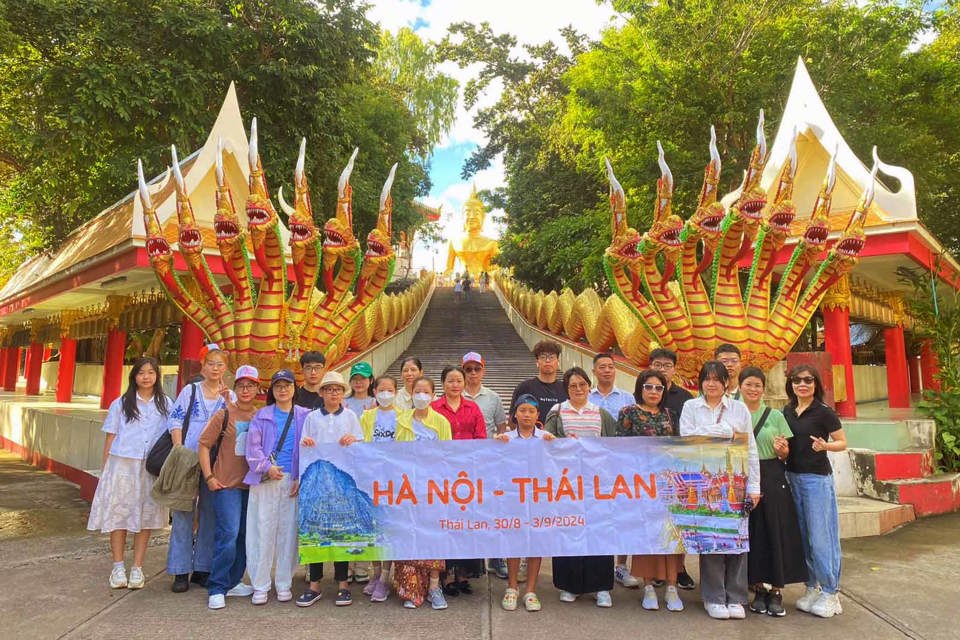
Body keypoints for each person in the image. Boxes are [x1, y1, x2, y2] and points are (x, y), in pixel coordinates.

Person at [679, 361, 760, 620]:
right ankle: (713, 597)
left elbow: (750, 448)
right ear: (700, 382)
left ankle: (736, 597)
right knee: (711, 539)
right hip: (705, 484)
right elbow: (687, 439)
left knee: (736, 540)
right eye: (707, 378)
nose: (711, 384)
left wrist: (755, 487)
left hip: (736, 481)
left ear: (726, 382)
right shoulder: (690, 407)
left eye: (717, 379)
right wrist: (724, 431)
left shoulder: (739, 409)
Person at [87, 356, 171, 590]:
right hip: (122, 467)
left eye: (151, 372)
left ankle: (137, 567)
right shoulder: (121, 403)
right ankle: (117, 566)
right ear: (134, 376)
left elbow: (173, 435)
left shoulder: (165, 403)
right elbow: (111, 436)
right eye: (141, 372)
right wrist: (106, 472)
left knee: (146, 517)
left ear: (157, 376)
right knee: (119, 516)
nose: (146, 377)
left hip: (150, 469)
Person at [544, 367, 617, 607]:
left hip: (596, 483)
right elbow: (547, 446)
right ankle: (570, 584)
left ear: (589, 386)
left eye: (582, 385)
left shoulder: (601, 413)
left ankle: (601, 587)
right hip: (567, 483)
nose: (578, 389)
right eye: (573, 385)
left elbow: (612, 447)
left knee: (599, 531)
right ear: (567, 389)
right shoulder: (557, 412)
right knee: (569, 531)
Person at [166, 344, 235, 592]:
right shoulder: (190, 390)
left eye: (220, 365)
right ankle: (180, 570)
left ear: (226, 369)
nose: (215, 369)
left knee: (210, 514)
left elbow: (236, 426)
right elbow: (174, 418)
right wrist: (179, 449)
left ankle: (203, 568)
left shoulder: (230, 396)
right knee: (183, 513)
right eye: (211, 364)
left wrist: (229, 402)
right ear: (203, 366)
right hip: (187, 458)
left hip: (216, 463)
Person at [738, 367, 806, 617]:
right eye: (748, 384)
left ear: (763, 388)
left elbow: (786, 453)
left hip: (773, 475)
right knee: (754, 532)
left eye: (757, 385)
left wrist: (782, 451)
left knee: (775, 530)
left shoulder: (775, 415)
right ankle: (757, 587)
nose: (753, 389)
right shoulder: (735, 412)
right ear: (740, 386)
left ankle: (776, 589)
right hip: (744, 475)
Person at [616, 369, 684, 612]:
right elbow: (620, 449)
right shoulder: (628, 413)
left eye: (658, 388)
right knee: (646, 537)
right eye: (649, 387)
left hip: (668, 485)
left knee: (671, 537)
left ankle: (672, 587)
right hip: (641, 485)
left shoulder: (671, 414)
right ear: (640, 388)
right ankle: (648, 587)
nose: (653, 391)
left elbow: (678, 448)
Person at [783, 364, 847, 619]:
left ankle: (831, 591)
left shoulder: (823, 412)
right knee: (802, 536)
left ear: (815, 384)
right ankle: (812, 587)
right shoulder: (787, 411)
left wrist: (826, 447)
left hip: (816, 480)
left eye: (808, 380)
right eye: (797, 380)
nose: (802, 384)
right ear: (791, 384)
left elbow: (842, 442)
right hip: (792, 476)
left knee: (822, 537)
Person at [297, 371, 364, 608]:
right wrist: (306, 444)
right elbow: (304, 445)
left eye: (337, 389)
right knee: (317, 533)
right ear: (322, 393)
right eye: (329, 389)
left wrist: (353, 441)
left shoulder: (351, 417)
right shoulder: (312, 418)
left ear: (342, 393)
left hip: (342, 485)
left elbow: (361, 444)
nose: (333, 393)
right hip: (318, 484)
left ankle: (343, 584)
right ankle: (314, 584)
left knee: (340, 533)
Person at [244, 369, 310, 605]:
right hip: (266, 480)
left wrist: (301, 477)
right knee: (261, 532)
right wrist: (266, 467)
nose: (283, 389)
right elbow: (252, 449)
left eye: (287, 385)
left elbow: (311, 449)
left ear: (294, 388)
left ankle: (284, 582)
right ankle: (260, 584)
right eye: (278, 386)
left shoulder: (306, 416)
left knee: (288, 534)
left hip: (292, 481)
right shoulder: (261, 416)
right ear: (272, 390)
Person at [198, 364, 260, 609]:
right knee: (229, 534)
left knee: (245, 536)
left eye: (250, 386)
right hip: (227, 485)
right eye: (241, 386)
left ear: (257, 389)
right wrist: (209, 476)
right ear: (235, 389)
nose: (245, 390)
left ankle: (234, 581)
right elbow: (203, 445)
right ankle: (217, 586)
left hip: (252, 487)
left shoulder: (260, 416)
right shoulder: (224, 414)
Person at [393, 375, 452, 610]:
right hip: (406, 487)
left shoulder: (441, 422)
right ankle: (411, 590)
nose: (421, 396)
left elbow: (449, 455)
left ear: (433, 394)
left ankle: (434, 587)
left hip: (432, 487)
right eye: (417, 391)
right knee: (408, 535)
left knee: (433, 536)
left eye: (426, 392)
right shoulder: (401, 420)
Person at [494, 394, 555, 612]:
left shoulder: (546, 438)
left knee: (535, 542)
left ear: (538, 415)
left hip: (538, 498)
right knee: (514, 540)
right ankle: (512, 587)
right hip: (513, 498)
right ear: (514, 415)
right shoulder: (506, 438)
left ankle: (530, 590)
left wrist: (558, 446)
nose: (527, 415)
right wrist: (496, 445)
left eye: (531, 411)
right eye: (522, 411)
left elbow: (558, 463)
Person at [643, 347, 695, 590]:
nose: (661, 369)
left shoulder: (685, 397)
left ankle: (679, 568)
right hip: (648, 470)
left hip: (677, 467)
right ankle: (654, 570)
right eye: (657, 364)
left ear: (674, 369)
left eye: (666, 365)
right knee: (652, 521)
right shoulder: (643, 392)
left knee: (677, 520)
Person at [432, 365, 487, 595]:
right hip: (441, 475)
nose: (455, 385)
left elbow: (481, 438)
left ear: (464, 384)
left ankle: (463, 574)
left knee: (466, 523)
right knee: (445, 522)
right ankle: (445, 576)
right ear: (443, 383)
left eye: (458, 381)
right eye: (450, 381)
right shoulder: (435, 408)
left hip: (467, 473)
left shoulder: (473, 408)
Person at [359, 374, 403, 602]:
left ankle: (386, 576)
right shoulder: (367, 417)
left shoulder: (403, 417)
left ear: (396, 392)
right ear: (374, 392)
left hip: (393, 482)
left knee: (389, 528)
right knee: (373, 528)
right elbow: (358, 443)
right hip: (370, 479)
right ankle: (375, 573)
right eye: (381, 390)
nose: (385, 394)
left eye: (390, 390)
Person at [510, 340, 567, 426]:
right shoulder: (524, 387)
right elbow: (512, 420)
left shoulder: (566, 388)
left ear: (558, 362)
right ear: (537, 362)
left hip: (559, 438)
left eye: (551, 357)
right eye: (543, 357)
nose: (547, 361)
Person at [462, 352, 508, 437]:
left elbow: (501, 426)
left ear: (483, 371)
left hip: (486, 448)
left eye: (477, 369)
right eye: (468, 369)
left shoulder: (494, 397)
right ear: (462, 373)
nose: (473, 372)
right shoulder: (455, 396)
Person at [589, 352, 634, 419]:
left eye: (611, 367)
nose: (607, 370)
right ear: (594, 372)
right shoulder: (587, 397)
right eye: (602, 367)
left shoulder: (627, 398)